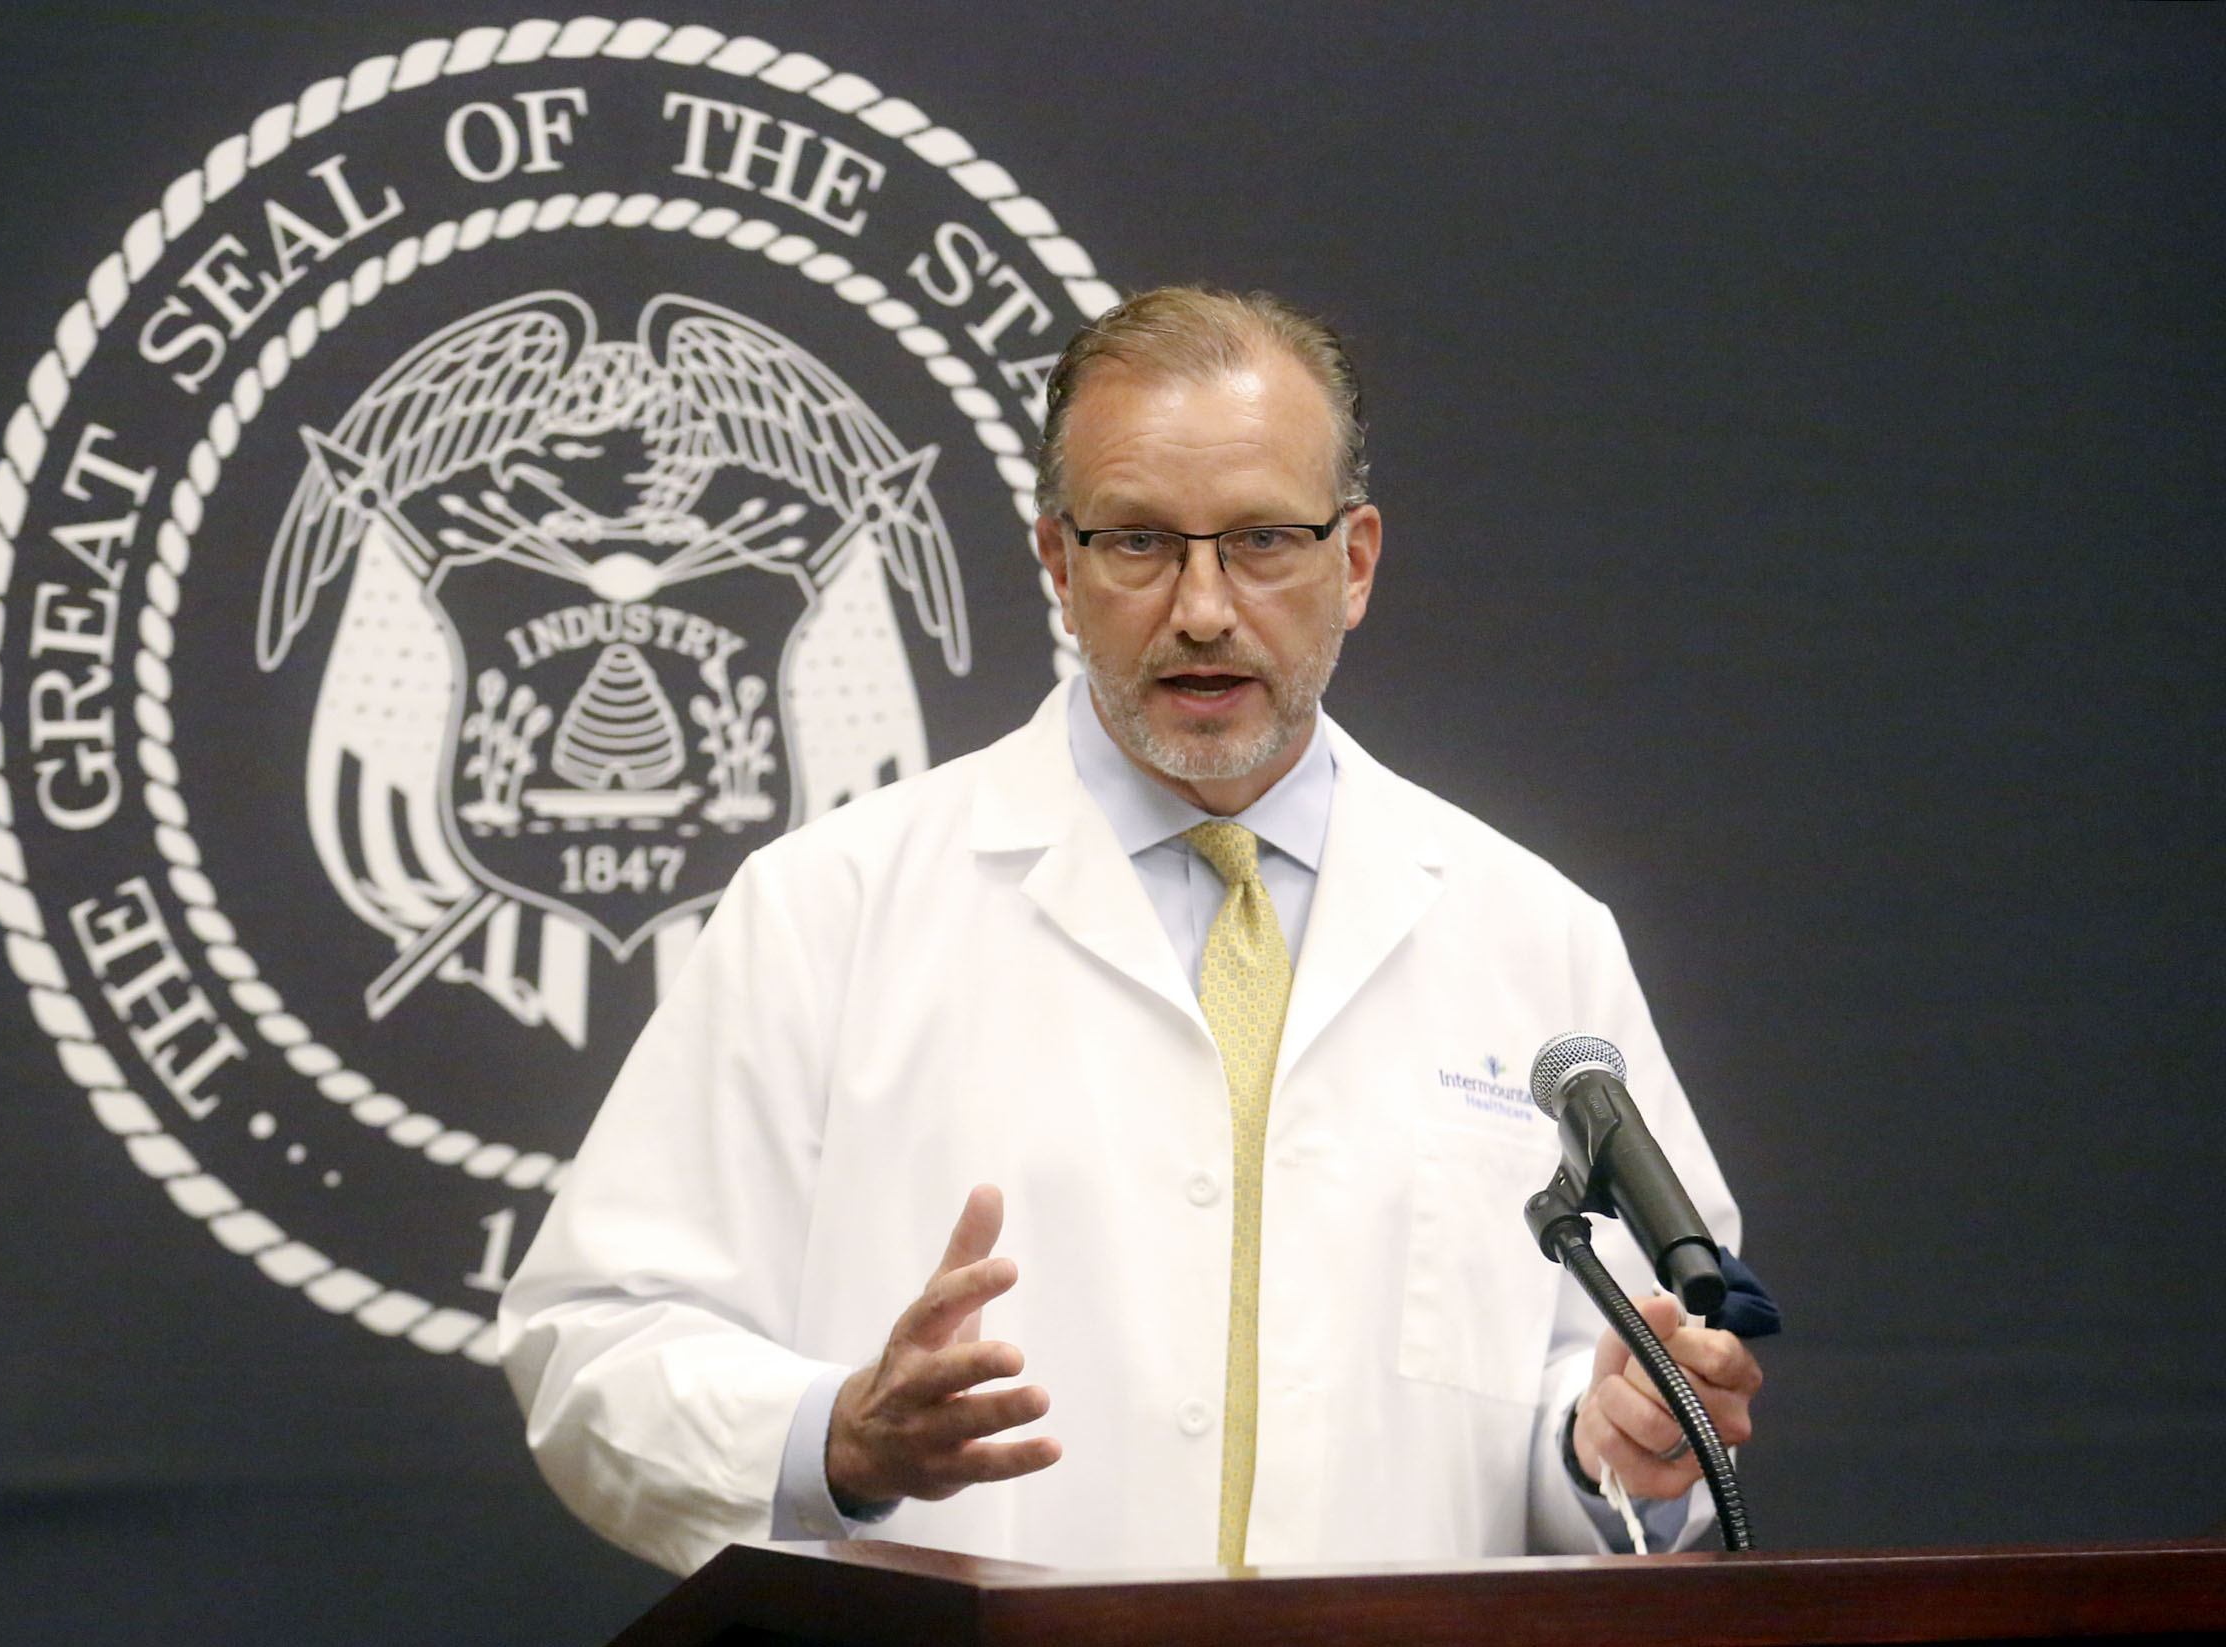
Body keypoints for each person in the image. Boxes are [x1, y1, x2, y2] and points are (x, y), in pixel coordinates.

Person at [500, 286, 1762, 1578]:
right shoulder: (831, 905)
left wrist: (1620, 1450)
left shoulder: (1533, 934)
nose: (1205, 607)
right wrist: (838, 1440)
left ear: (1358, 562)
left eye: (1264, 541)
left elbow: (1593, 1387)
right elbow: (599, 1344)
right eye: (1142, 544)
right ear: (1060, 563)